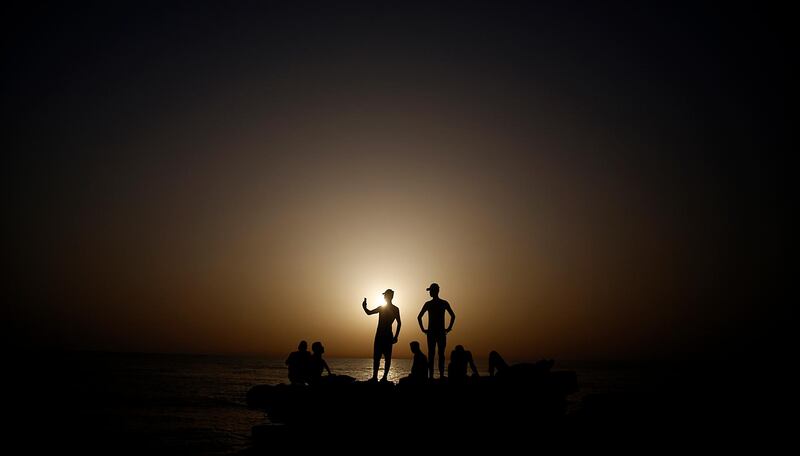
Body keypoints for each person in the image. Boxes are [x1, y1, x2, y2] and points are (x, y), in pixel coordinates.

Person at [417, 282, 455, 379]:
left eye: (430, 291)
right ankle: (440, 375)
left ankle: (431, 376)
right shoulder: (443, 303)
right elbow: (453, 316)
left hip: (432, 332)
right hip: (440, 332)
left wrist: (423, 329)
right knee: (440, 354)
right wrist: (448, 328)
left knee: (432, 354)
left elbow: (419, 317)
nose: (429, 293)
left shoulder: (429, 304)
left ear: (435, 291)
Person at [362, 289, 402, 382]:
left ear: (389, 297)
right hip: (385, 335)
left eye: (385, 295)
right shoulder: (391, 308)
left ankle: (381, 377)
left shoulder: (387, 308)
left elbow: (399, 323)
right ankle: (378, 377)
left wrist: (396, 336)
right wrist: (395, 336)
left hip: (383, 335)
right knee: (380, 357)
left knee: (382, 357)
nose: (384, 297)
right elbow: (399, 323)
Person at [488, 350, 554, 379]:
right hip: (507, 372)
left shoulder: (534, 370)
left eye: (542, 362)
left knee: (493, 354)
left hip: (508, 374)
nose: (539, 361)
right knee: (493, 353)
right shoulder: (533, 368)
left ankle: (492, 378)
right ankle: (492, 377)